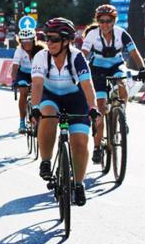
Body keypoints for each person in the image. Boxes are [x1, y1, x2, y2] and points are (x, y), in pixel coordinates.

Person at [30, 18, 100, 206]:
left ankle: (78, 184)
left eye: (53, 39)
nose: (49, 43)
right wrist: (35, 108)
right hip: (50, 95)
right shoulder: (41, 57)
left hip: (75, 99)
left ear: (66, 41)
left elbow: (87, 85)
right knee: (47, 114)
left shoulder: (77, 58)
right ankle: (45, 160)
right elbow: (37, 85)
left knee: (80, 142)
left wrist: (93, 108)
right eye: (47, 38)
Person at [81, 4, 145, 164]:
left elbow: (134, 52)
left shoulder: (121, 34)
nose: (105, 24)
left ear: (114, 21)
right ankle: (97, 147)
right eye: (101, 21)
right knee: (101, 108)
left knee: (122, 84)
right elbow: (83, 54)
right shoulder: (92, 34)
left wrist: (142, 69)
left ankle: (121, 116)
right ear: (97, 21)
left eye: (108, 21)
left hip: (116, 65)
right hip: (97, 68)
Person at [12, 28, 46, 134]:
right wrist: (14, 80)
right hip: (24, 74)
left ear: (34, 40)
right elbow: (15, 66)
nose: (26, 44)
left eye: (29, 41)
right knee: (24, 91)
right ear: (20, 41)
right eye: (23, 41)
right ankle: (22, 122)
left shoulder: (40, 49)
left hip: (38, 72)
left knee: (41, 93)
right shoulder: (19, 50)